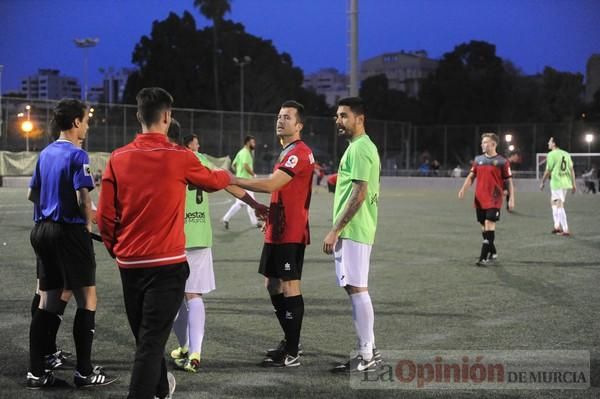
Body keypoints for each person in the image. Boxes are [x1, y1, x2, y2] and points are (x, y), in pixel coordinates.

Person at [96, 88, 231, 399]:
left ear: (138, 116)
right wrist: (227, 176)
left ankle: (161, 388)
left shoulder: (117, 158)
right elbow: (213, 182)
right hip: (167, 266)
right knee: (149, 344)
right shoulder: (180, 157)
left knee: (148, 339)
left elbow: (105, 216)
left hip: (129, 265)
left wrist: (116, 250)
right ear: (168, 117)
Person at [27, 98, 117, 389]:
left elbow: (34, 196)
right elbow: (83, 198)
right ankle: (84, 372)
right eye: (86, 120)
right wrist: (88, 224)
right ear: (76, 122)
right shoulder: (78, 155)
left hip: (42, 230)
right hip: (68, 232)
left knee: (48, 302)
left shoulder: (45, 153)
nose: (87, 125)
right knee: (87, 300)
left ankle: (36, 372)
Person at [166, 126, 267, 373]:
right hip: (200, 235)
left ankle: (187, 346)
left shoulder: (168, 158)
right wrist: (253, 203)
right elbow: (227, 183)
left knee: (175, 298)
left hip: (174, 237)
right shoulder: (200, 160)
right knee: (195, 295)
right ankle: (196, 353)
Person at [231, 100, 314, 368]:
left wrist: (231, 179)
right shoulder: (287, 151)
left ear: (299, 125)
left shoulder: (299, 152)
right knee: (272, 284)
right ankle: (291, 340)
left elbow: (271, 184)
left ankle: (292, 352)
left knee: (289, 286)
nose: (281, 120)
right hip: (276, 229)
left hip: (290, 230)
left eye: (287, 117)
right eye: (279, 116)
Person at [322, 97, 382, 373]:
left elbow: (359, 193)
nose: (338, 121)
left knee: (357, 288)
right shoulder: (360, 147)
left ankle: (367, 353)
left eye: (344, 116)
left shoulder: (359, 149)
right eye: (337, 116)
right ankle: (368, 350)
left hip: (354, 230)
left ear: (359, 118)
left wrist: (336, 229)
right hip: (356, 229)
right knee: (354, 287)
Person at [458, 133, 514, 266]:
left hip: (494, 199)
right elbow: (471, 176)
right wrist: (463, 189)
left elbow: (509, 181)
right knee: (484, 228)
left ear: (493, 144)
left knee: (489, 225)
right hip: (479, 198)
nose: (482, 144)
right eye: (482, 142)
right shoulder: (478, 160)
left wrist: (511, 199)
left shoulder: (502, 161)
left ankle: (483, 257)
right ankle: (493, 251)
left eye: (485, 142)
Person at [539, 137, 576, 235]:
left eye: (550, 141)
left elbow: (548, 170)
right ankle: (557, 226)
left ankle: (565, 229)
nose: (548, 143)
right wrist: (574, 184)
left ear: (554, 144)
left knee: (559, 204)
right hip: (566, 182)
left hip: (557, 182)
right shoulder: (566, 154)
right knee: (553, 202)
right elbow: (572, 169)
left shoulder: (551, 154)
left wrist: (542, 182)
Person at [222, 135, 260, 229]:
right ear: (247, 142)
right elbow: (246, 165)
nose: (254, 144)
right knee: (251, 202)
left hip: (241, 180)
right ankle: (255, 223)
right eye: (252, 142)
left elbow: (234, 164)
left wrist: (238, 173)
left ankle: (226, 218)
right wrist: (253, 174)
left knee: (240, 203)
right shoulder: (245, 152)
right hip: (246, 181)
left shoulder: (240, 152)